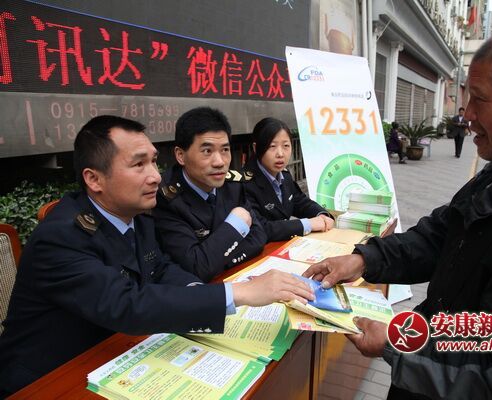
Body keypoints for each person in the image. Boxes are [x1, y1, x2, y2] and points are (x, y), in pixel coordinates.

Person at [303, 22, 492, 400]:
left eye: (479, 99)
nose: (466, 114)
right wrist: (363, 259)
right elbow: (440, 236)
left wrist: (395, 346)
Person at [0, 116, 314, 396]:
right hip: (50, 377)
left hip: (118, 354)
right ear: (94, 179)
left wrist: (200, 294)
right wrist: (238, 293)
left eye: (153, 162)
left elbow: (160, 267)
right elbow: (127, 304)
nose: (155, 176)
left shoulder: (136, 214)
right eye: (139, 165)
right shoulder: (60, 237)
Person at [153, 107, 267, 281]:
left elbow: (259, 237)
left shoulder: (233, 185)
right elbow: (195, 266)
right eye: (207, 151)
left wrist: (218, 260)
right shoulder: (166, 197)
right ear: (181, 155)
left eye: (225, 150)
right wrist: (236, 223)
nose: (219, 162)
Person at [243, 117, 335, 242]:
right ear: (256, 148)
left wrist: (321, 215)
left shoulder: (284, 175)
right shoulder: (244, 183)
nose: (280, 154)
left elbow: (300, 202)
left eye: (286, 146)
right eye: (272, 146)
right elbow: (261, 228)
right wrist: (307, 224)